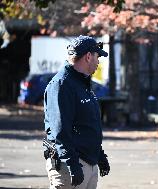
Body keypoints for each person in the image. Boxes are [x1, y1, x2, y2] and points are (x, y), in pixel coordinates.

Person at [43, 35, 110, 189]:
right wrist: (72, 164)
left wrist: (99, 155)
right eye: (97, 56)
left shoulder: (83, 83)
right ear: (88, 57)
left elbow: (87, 124)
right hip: (71, 166)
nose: (98, 61)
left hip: (89, 163)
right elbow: (60, 131)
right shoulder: (61, 85)